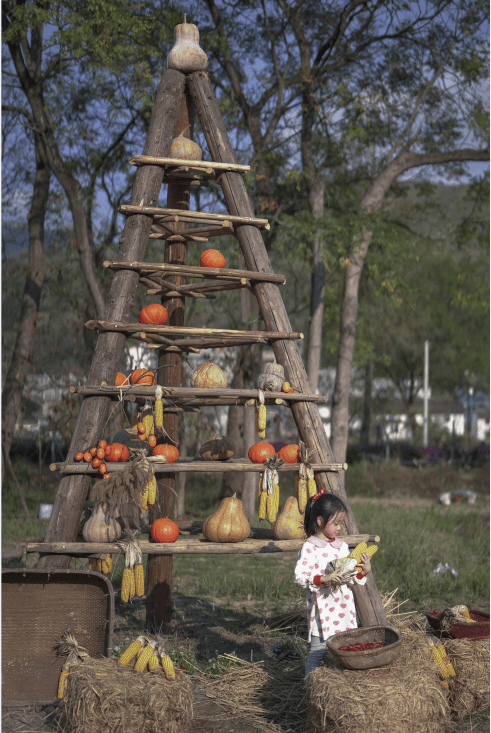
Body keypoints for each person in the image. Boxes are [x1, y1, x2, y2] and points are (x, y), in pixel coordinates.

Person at [294, 488, 372, 679]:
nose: (339, 528)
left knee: (344, 650)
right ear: (320, 521)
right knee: (317, 653)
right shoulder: (310, 547)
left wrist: (363, 572)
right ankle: (310, 688)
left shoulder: (342, 546)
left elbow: (351, 576)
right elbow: (300, 577)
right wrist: (324, 579)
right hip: (322, 614)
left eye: (341, 524)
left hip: (343, 609)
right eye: (335, 523)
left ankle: (340, 683)